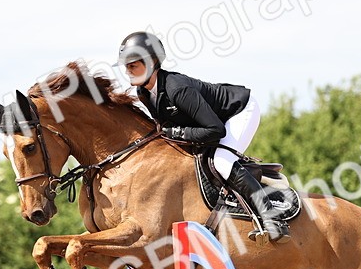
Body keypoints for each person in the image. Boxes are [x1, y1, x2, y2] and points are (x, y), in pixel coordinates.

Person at [117, 31, 289, 243]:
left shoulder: (176, 88)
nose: (128, 71)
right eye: (126, 66)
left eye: (132, 65)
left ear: (152, 62)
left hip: (239, 112)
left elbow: (216, 131)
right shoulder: (143, 93)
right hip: (210, 123)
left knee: (222, 161)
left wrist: (177, 132)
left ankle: (273, 217)